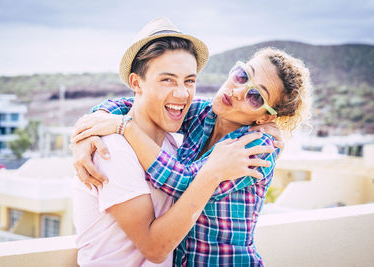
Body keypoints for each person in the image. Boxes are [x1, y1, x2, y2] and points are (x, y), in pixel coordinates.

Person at [72, 18, 275, 267]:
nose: (182, 93)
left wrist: (112, 122)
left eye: (189, 80)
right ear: (136, 83)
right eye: (167, 80)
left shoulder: (174, 144)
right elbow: (155, 249)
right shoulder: (112, 148)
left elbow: (182, 180)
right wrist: (97, 124)